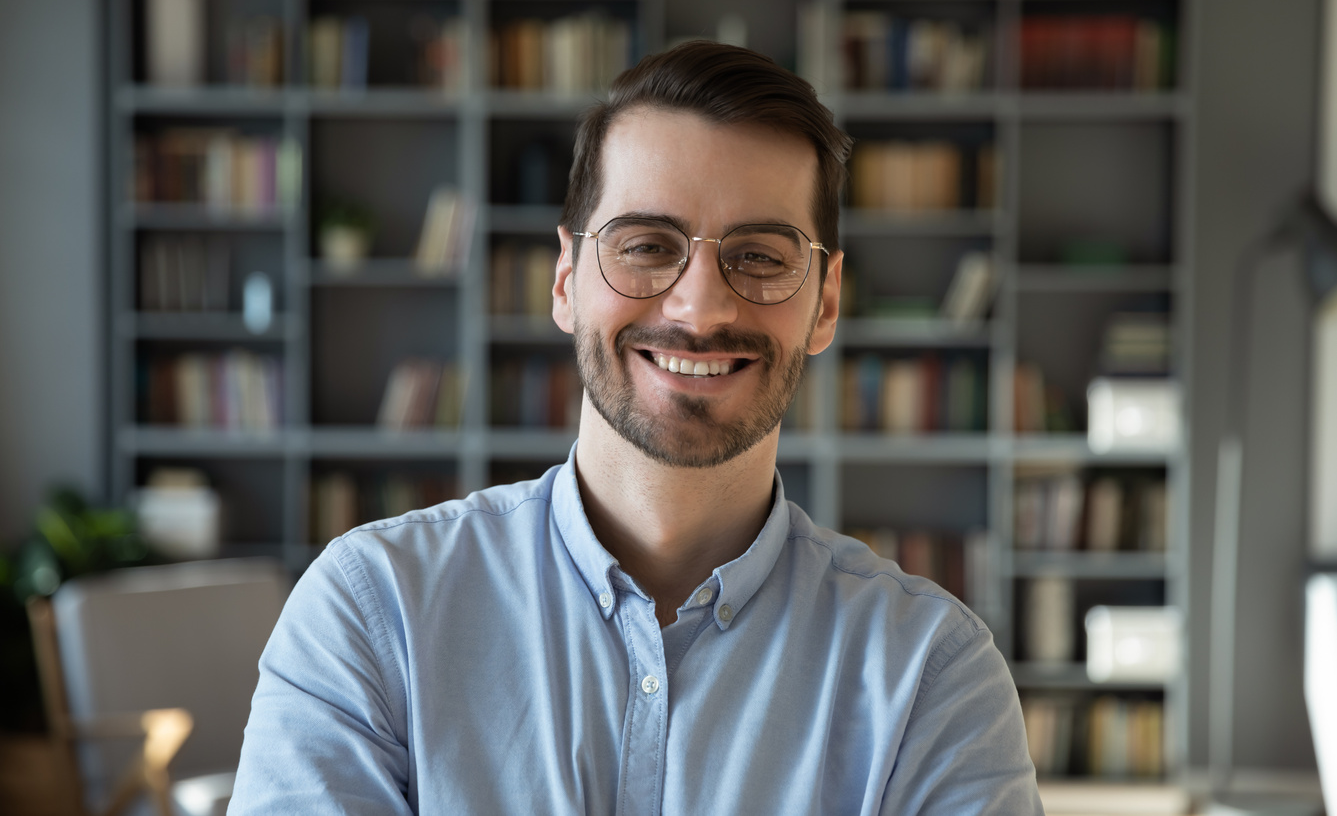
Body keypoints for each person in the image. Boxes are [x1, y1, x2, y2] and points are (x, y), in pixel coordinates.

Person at [229, 41, 1042, 815]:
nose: (700, 306)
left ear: (824, 301)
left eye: (759, 256)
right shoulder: (374, 613)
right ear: (564, 279)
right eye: (646, 245)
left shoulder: (930, 672)